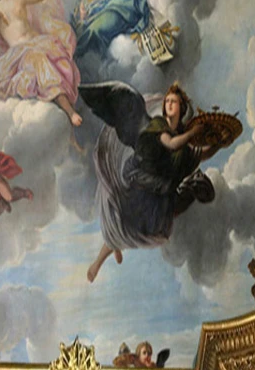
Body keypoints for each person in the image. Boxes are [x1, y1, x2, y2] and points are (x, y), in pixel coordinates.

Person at [81, 81, 215, 282]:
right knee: (123, 219)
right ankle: (98, 262)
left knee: (136, 227)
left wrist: (219, 142)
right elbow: (171, 144)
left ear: (182, 107)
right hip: (141, 178)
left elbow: (200, 154)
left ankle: (111, 251)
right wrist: (193, 133)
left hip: (158, 190)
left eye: (174, 102)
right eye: (167, 101)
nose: (169, 104)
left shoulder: (183, 142)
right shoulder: (159, 125)